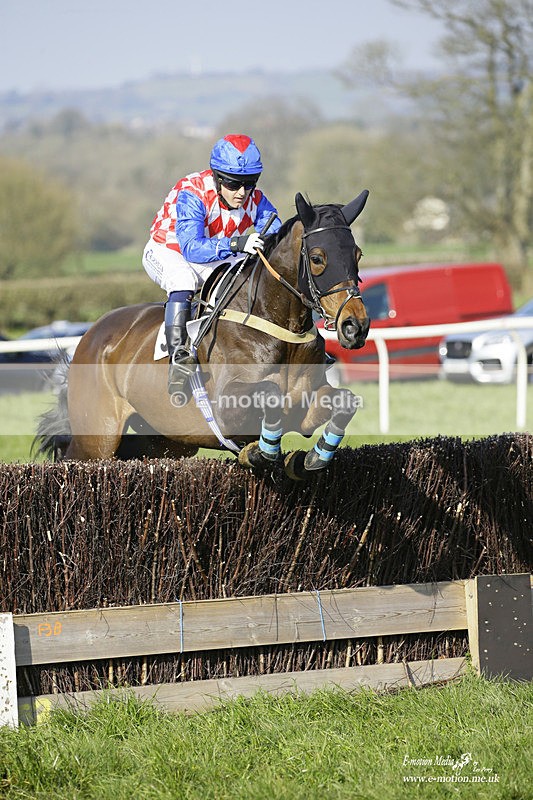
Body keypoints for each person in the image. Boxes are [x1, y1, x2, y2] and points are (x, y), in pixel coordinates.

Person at [143, 133, 282, 394]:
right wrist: (237, 244)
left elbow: (277, 233)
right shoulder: (192, 193)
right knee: (183, 280)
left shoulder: (253, 197)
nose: (242, 192)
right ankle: (178, 357)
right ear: (217, 177)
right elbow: (192, 248)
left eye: (249, 183)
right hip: (169, 250)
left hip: (214, 254)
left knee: (250, 277)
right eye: (233, 183)